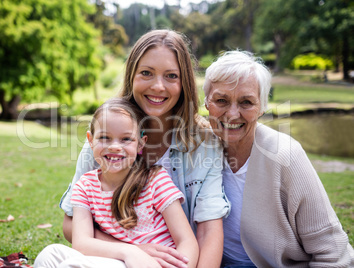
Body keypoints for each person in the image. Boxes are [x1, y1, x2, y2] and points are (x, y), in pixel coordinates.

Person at [60, 29, 230, 268]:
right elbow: (71, 223)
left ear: (184, 83)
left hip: (178, 260)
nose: (158, 86)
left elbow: (209, 232)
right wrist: (132, 251)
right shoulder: (105, 140)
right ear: (132, 76)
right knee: (53, 256)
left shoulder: (204, 143)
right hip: (115, 260)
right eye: (146, 73)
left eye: (171, 76)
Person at [203, 50, 354, 267]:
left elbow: (333, 253)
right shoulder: (198, 148)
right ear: (207, 103)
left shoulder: (285, 155)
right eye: (221, 100)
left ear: (262, 108)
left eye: (246, 102)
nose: (233, 113)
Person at [34, 98, 199, 268]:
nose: (114, 146)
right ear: (90, 140)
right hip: (118, 257)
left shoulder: (155, 180)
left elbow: (187, 241)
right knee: (49, 254)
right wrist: (131, 251)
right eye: (104, 137)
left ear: (140, 143)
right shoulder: (85, 186)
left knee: (74, 265)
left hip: (151, 264)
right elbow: (81, 243)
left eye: (126, 139)